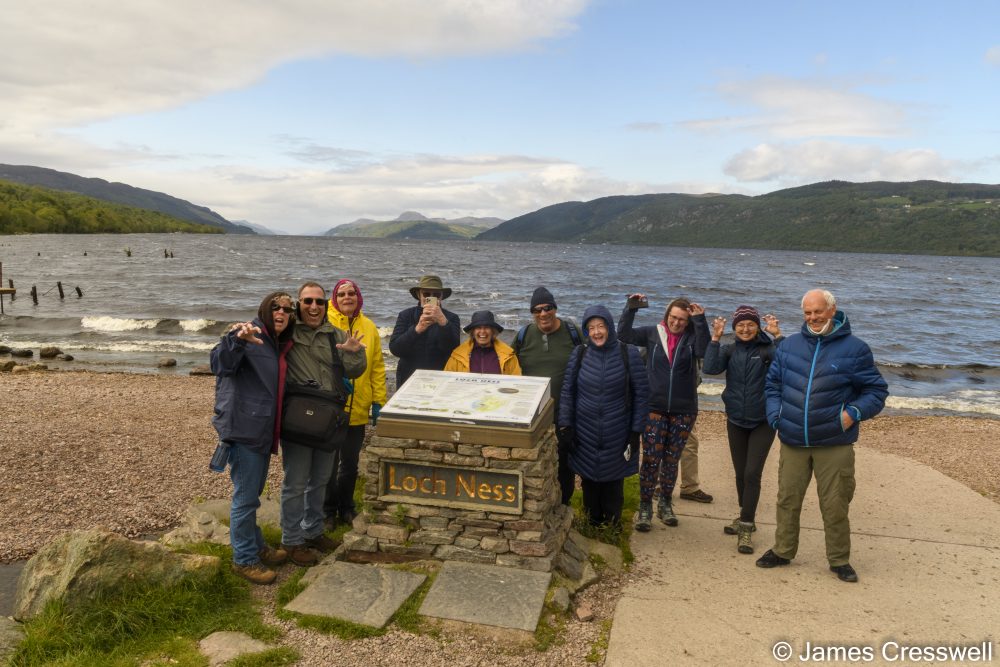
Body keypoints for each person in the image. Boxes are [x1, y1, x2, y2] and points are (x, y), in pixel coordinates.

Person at [757, 289, 888, 583]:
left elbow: (877, 391)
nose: (813, 318)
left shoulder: (856, 349)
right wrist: (776, 416)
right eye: (807, 313)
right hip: (793, 439)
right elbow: (773, 385)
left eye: (817, 312)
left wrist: (851, 413)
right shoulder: (789, 345)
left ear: (832, 310)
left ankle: (839, 559)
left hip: (834, 442)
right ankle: (783, 550)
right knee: (787, 499)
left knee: (835, 503)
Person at [210, 291, 295, 585]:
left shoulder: (274, 343)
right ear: (264, 309)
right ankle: (244, 559)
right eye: (275, 307)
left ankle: (255, 546)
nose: (281, 312)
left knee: (252, 496)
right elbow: (220, 364)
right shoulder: (247, 333)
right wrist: (235, 339)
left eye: (287, 308)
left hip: (260, 429)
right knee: (245, 499)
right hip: (244, 429)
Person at [281, 281, 366, 567]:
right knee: (295, 482)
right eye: (307, 302)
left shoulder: (336, 335)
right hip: (297, 418)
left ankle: (313, 531)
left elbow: (354, 371)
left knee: (320, 479)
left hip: (329, 419)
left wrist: (355, 353)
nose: (314, 307)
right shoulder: (287, 333)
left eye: (319, 302)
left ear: (325, 304)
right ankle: (291, 540)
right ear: (298, 304)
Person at [618, 294, 709, 530]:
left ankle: (666, 504)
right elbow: (623, 335)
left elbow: (705, 350)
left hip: (683, 410)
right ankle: (646, 507)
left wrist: (700, 320)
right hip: (654, 408)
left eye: (682, 320)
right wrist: (631, 308)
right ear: (667, 314)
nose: (676, 323)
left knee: (671, 460)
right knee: (650, 459)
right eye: (673, 317)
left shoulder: (691, 339)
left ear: (688, 322)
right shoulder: (652, 333)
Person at [558, 306, 649, 529]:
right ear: (586, 331)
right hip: (585, 430)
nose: (596, 332)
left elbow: (642, 394)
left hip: (617, 431)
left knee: (613, 483)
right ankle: (591, 524)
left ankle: (613, 527)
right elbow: (567, 391)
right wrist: (566, 425)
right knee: (589, 481)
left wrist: (635, 432)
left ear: (609, 327)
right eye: (591, 328)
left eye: (600, 326)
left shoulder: (629, 353)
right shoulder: (579, 354)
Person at [703, 305, 783, 554]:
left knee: (752, 473)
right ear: (735, 329)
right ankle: (745, 515)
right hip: (736, 419)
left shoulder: (767, 349)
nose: (746, 329)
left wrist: (777, 335)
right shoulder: (730, 349)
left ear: (758, 326)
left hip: (763, 421)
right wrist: (715, 338)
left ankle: (746, 526)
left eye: (750, 324)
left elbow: (789, 363)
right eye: (740, 326)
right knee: (740, 474)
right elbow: (710, 368)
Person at [323, 279, 387, 527]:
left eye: (351, 293)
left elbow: (378, 367)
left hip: (358, 408)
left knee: (349, 463)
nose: (347, 297)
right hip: (331, 406)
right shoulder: (325, 323)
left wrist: (378, 401)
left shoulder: (369, 327)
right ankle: (327, 510)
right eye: (342, 294)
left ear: (358, 297)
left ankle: (346, 507)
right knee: (328, 464)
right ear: (334, 299)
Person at [513, 286, 584, 505]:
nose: (543, 314)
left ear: (555, 308)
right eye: (537, 310)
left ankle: (564, 504)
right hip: (532, 413)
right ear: (532, 313)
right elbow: (507, 366)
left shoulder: (573, 332)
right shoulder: (524, 335)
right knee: (533, 460)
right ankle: (535, 503)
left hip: (566, 411)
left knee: (565, 461)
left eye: (548, 308)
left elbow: (591, 361)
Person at [389, 275, 461, 390]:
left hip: (439, 379)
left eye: (436, 295)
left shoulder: (451, 318)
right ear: (419, 295)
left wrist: (443, 323)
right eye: (426, 294)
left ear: (441, 297)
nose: (431, 298)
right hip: (409, 378)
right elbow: (395, 349)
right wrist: (417, 329)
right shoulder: (406, 315)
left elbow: (452, 349)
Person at [444, 310, 522, 375]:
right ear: (473, 332)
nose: (482, 332)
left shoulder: (508, 356)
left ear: (493, 331)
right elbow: (446, 380)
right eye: (478, 328)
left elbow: (516, 382)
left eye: (487, 327)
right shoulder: (457, 356)